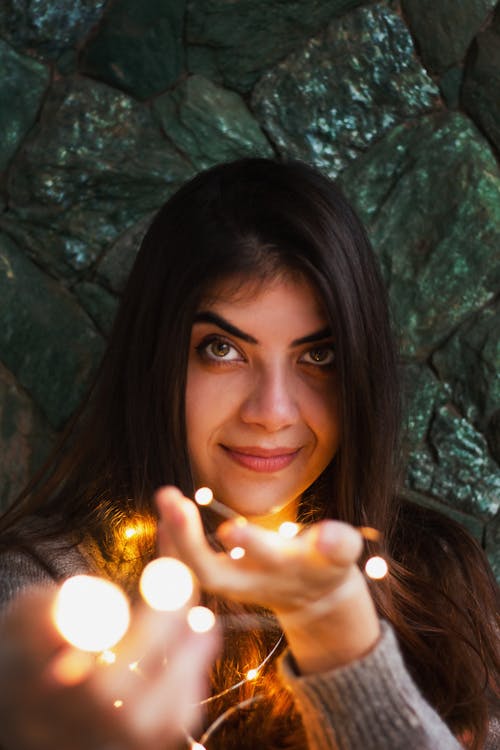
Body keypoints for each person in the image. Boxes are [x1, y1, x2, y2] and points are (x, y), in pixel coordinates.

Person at [0, 158, 498, 750]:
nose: (272, 411)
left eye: (319, 356)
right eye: (221, 348)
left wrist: (347, 651)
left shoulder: (438, 580)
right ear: (158, 361)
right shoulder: (50, 595)